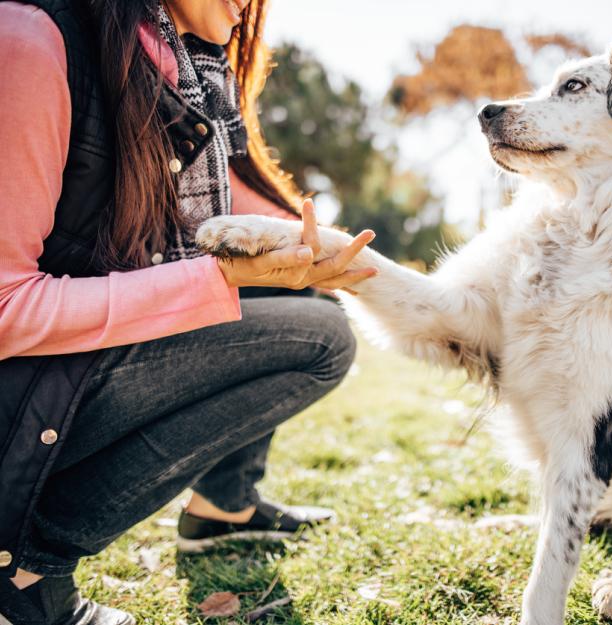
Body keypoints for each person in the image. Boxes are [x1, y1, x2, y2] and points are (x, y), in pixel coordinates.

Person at [0, 1, 378, 623]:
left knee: (297, 294)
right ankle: (24, 566)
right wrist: (217, 278)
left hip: (61, 375)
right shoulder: (34, 37)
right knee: (321, 340)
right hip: (24, 393)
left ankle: (223, 507)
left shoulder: (186, 78)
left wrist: (338, 258)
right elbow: (7, 309)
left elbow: (262, 214)